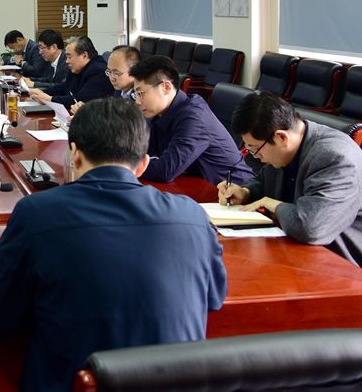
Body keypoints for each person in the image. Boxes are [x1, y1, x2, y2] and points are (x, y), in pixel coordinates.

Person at [0, 97, 227, 392]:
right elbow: (214, 300)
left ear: (75, 154)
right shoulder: (193, 216)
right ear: (143, 164)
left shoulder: (36, 213)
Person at [219, 91, 362, 266]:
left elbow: (311, 227)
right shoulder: (287, 148)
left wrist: (273, 204)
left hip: (340, 263)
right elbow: (264, 182)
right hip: (294, 250)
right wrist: (245, 192)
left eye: (255, 149)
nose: (256, 156)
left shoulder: (335, 157)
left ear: (281, 137)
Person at [129, 55, 254, 185]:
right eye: (135, 94)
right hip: (196, 185)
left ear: (166, 87)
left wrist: (126, 163)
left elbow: (165, 170)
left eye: (140, 93)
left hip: (234, 190)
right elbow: (141, 150)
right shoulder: (158, 113)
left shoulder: (193, 118)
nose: (137, 101)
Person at [29, 35, 112, 110]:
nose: (67, 61)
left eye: (69, 57)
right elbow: (64, 87)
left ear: (84, 55)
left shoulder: (98, 71)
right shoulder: (77, 68)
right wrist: (43, 92)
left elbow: (79, 100)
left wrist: (50, 99)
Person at [70, 45, 140, 115]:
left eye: (116, 73)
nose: (111, 78)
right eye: (109, 71)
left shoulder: (140, 96)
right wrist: (86, 110)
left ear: (134, 71)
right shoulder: (119, 90)